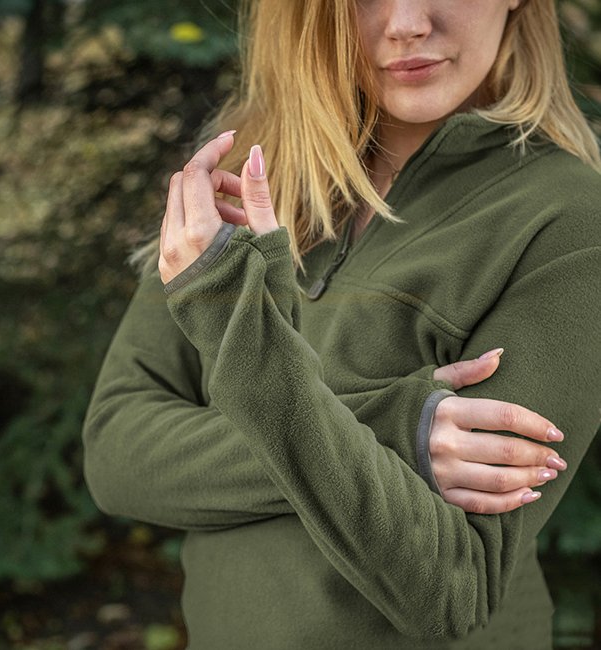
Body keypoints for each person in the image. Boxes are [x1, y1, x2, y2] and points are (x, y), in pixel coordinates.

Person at [81, 0, 601, 648]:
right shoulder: (249, 173)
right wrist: (394, 428)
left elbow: (452, 589)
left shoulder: (570, 221)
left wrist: (237, 327)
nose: (407, 22)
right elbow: (116, 455)